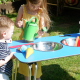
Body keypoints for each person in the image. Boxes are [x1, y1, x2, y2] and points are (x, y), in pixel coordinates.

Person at [15, 0, 51, 80]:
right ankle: (27, 77)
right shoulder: (22, 8)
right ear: (28, 1)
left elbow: (42, 26)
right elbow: (16, 22)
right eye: (33, 5)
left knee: (36, 61)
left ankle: (37, 77)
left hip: (36, 41)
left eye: (38, 6)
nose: (35, 8)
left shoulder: (40, 11)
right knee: (25, 59)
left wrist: (41, 31)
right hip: (24, 40)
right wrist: (18, 24)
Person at [0, 15, 15, 80]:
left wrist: (6, 40)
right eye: (11, 32)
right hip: (2, 75)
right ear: (4, 34)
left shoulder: (2, 42)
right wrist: (10, 56)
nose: (12, 33)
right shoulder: (2, 47)